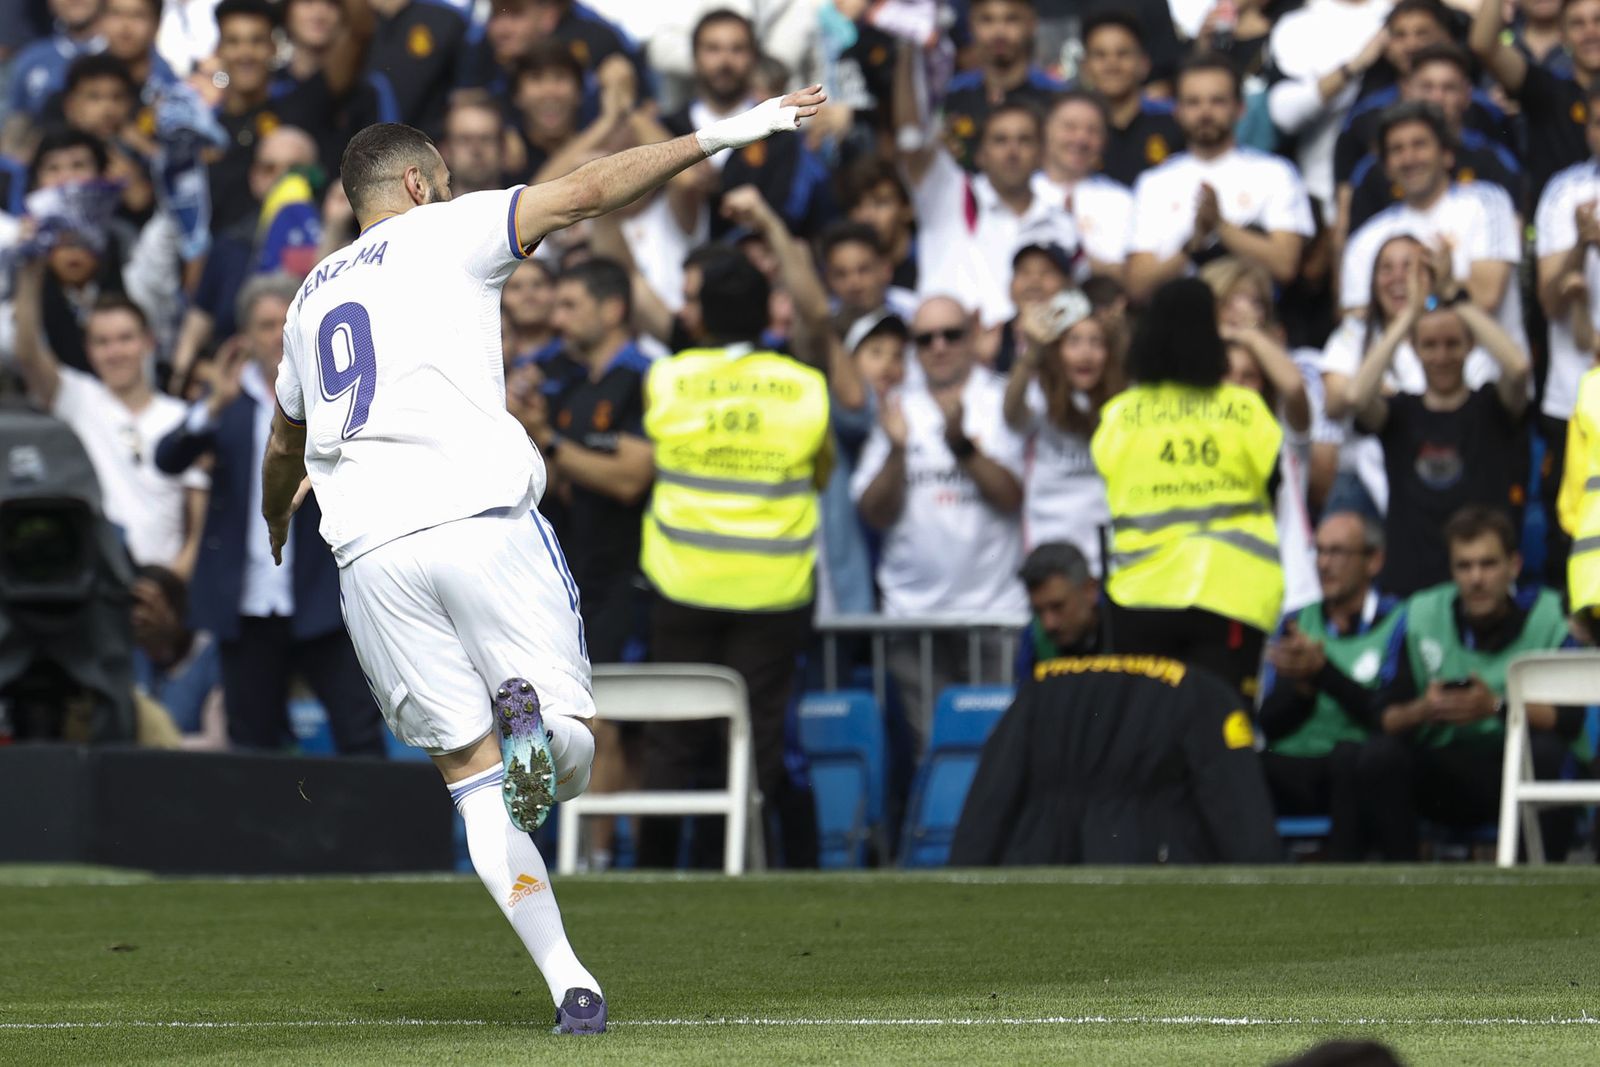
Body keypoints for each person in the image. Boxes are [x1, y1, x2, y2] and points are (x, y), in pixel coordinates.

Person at [260, 91, 826, 1032]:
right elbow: (588, 190)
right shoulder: (448, 229)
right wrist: (726, 132)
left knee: (473, 781)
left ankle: (572, 983)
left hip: (369, 555)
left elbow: (285, 436)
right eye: (445, 178)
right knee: (572, 746)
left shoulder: (308, 298)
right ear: (416, 183)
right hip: (480, 518)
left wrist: (279, 518)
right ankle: (545, 739)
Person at [633, 248, 829, 870]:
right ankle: (736, 866)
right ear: (766, 315)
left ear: (705, 318)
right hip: (774, 590)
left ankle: (656, 872)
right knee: (755, 738)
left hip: (682, 582)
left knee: (672, 736)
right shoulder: (806, 387)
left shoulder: (668, 378)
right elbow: (819, 473)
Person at [156, 274, 384, 755]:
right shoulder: (228, 404)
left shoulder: (335, 394)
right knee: (253, 746)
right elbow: (166, 458)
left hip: (323, 597)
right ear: (245, 336)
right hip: (248, 604)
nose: (276, 335)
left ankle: (372, 833)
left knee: (359, 732)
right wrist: (210, 407)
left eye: (285, 323)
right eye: (264, 325)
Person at [1090, 277, 1283, 700]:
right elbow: (1275, 477)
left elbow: (1107, 472)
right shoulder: (1244, 409)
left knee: (1150, 741)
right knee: (1220, 738)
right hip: (1230, 596)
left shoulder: (1119, 416)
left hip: (1140, 598)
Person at [852, 295, 1028, 751]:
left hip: (993, 614)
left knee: (998, 755)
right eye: (925, 338)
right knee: (934, 756)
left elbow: (1013, 497)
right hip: (913, 617)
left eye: (951, 334)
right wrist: (895, 451)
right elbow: (874, 512)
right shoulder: (898, 407)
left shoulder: (998, 399)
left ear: (972, 335)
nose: (939, 346)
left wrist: (962, 448)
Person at [1358, 506, 1582, 861]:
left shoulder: (1551, 617)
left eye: (1488, 564)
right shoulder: (1420, 615)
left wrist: (1494, 707)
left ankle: (1535, 884)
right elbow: (1381, 717)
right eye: (1464, 566)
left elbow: (1571, 719)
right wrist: (1424, 709)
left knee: (1548, 754)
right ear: (1452, 570)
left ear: (1515, 565)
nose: (1476, 578)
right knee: (1377, 757)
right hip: (1447, 774)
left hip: (1515, 767)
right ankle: (1400, 883)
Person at [1345, 254, 1531, 596]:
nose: (1441, 356)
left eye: (1452, 344)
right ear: (1413, 349)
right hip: (1410, 586)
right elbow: (1355, 396)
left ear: (1469, 346)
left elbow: (1518, 368)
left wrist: (1457, 299)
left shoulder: (1491, 406)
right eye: (1429, 345)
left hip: (1480, 585)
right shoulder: (1399, 412)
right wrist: (1409, 316)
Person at [10, 268, 208, 575]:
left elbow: (200, 520)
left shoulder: (182, 417)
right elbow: (27, 352)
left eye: (125, 339)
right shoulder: (76, 397)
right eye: (102, 342)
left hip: (164, 586)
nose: (115, 352)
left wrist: (173, 586)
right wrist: (30, 271)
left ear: (148, 342)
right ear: (89, 351)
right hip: (98, 586)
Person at [1257, 512, 1401, 860]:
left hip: (1356, 770)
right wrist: (1303, 688)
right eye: (1319, 552)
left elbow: (1387, 714)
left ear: (1374, 560)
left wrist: (1323, 673)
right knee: (1238, 764)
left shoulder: (1400, 620)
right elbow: (1271, 723)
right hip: (1297, 765)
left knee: (1352, 759)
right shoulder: (1295, 622)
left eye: (1338, 552)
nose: (1324, 563)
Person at [1339, 102, 1525, 354]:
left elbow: (1486, 297)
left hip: (1489, 383)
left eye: (1419, 145)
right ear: (1386, 166)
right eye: (1397, 149)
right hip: (1402, 388)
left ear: (1447, 154)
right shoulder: (1367, 237)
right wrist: (1444, 289)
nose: (1409, 158)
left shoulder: (1486, 203)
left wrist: (1423, 296)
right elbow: (1356, 321)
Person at [1125, 55, 1314, 302]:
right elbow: (1139, 286)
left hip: (1254, 316)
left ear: (1240, 108)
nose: (1205, 112)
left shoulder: (1275, 173)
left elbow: (1285, 265)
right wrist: (1194, 246)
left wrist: (1220, 227)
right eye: (1193, 102)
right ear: (1177, 110)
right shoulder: (1153, 183)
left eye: (1218, 101)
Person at [1532, 95, 1600, 591]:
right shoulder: (1567, 191)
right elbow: (1550, 301)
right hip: (1575, 398)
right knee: (1571, 534)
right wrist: (1581, 244)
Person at [1002, 287, 1119, 567]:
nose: (1086, 353)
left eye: (1096, 342)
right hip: (1049, 533)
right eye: (1074, 342)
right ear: (1057, 351)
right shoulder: (1039, 395)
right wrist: (1032, 352)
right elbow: (1012, 414)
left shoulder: (1121, 402)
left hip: (1107, 541)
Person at [938, 0, 1063, 171]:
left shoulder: (1059, 99)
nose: (999, 32)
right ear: (971, 25)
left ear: (1032, 24)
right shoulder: (946, 96)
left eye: (1011, 19)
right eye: (987, 20)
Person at [1076, 11, 1185, 188]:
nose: (1112, 64)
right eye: (1100, 55)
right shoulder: (1073, 133)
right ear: (1085, 67)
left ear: (1144, 64)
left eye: (1123, 54)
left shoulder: (1175, 121)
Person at [129, 564, 227, 750]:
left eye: (148, 605)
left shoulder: (210, 655)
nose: (138, 615)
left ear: (175, 610)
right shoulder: (128, 655)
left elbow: (218, 742)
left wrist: (161, 745)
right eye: (133, 603)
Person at [1014, 541, 1105, 679]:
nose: (1049, 624)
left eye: (1058, 607)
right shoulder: (1034, 640)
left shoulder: (1128, 632)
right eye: (1038, 611)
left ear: (1090, 590)